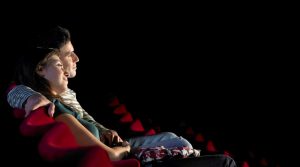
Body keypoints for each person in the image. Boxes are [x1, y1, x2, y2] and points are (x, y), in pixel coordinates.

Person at [8, 25, 236, 166]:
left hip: (110, 146)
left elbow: (87, 121)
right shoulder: (46, 100)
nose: (76, 59)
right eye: (68, 55)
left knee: (175, 138)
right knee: (186, 146)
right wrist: (26, 96)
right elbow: (15, 90)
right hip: (117, 156)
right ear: (41, 67)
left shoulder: (65, 92)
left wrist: (107, 131)